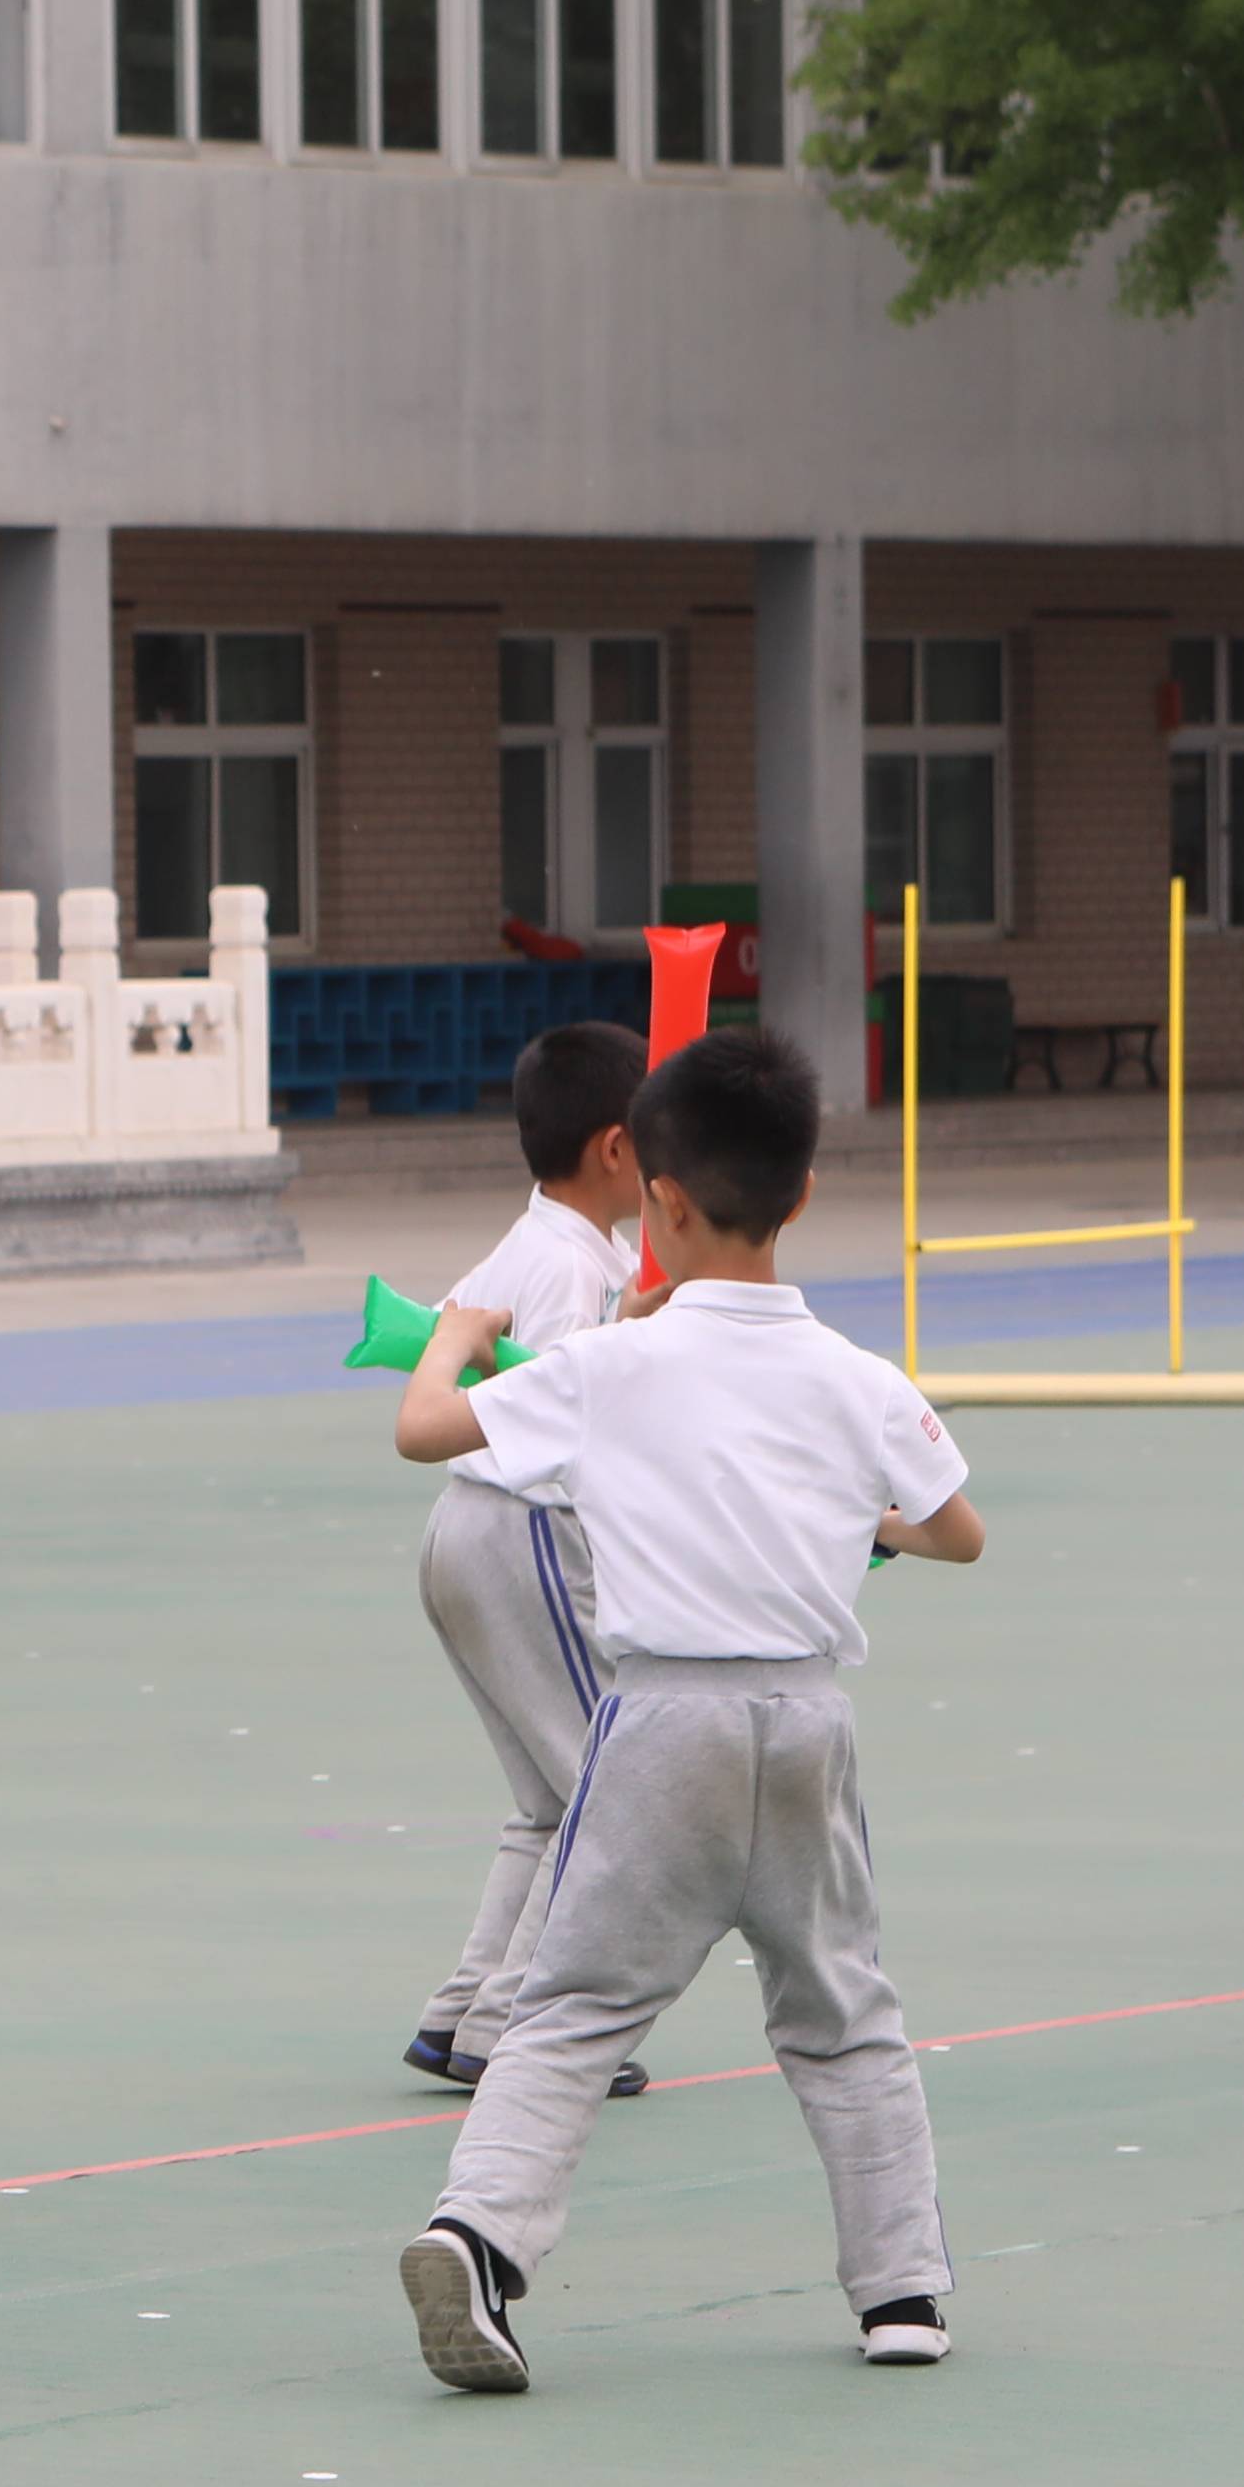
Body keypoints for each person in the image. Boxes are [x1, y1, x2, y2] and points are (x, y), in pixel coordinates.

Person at [385, 1026, 984, 2393]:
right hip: (806, 1724)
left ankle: (477, 2238)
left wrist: (461, 1340)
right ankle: (902, 2292)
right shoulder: (855, 1377)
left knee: (574, 2007)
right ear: (807, 1191)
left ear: (655, 1196)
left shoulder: (614, 1364)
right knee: (844, 2012)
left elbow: (426, 1433)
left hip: (661, 1721)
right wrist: (857, 1523)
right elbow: (959, 1533)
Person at [399, 1018, 654, 2088]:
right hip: (524, 1534)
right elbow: (562, 1398)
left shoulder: (542, 1244)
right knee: (610, 1785)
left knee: (551, 1801)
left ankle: (463, 2014)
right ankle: (519, 2025)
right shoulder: (567, 1265)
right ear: (614, 1149)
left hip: (466, 1535)